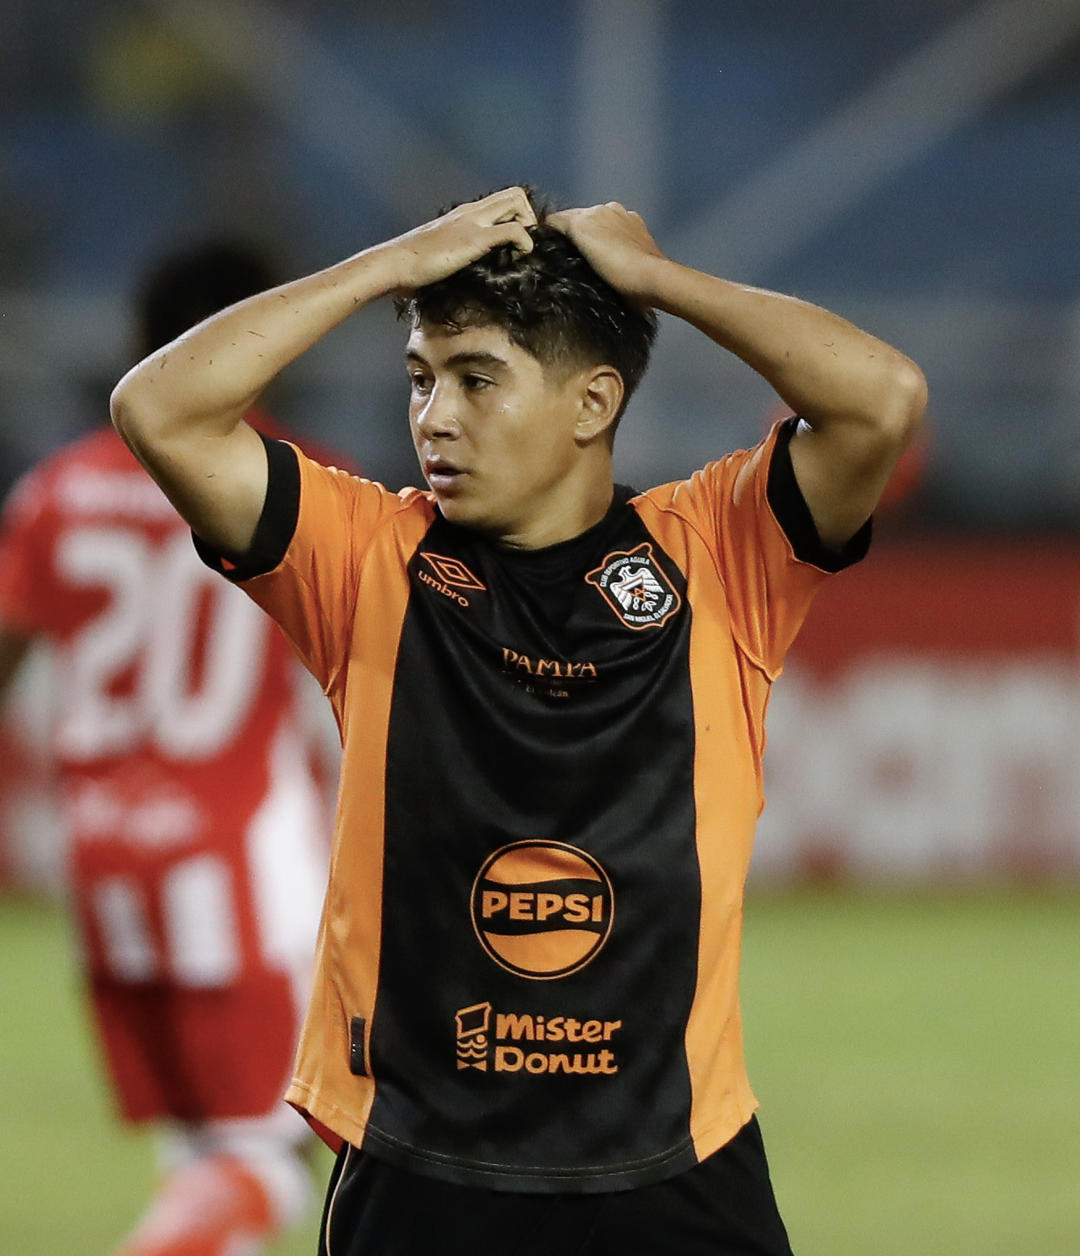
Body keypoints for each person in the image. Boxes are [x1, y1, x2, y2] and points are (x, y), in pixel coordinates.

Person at [109, 187, 926, 1254]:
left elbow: (884, 400)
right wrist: (385, 264)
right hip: (423, 1173)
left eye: (476, 378)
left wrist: (660, 281)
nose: (434, 417)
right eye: (419, 378)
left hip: (675, 1168)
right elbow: (158, 407)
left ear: (592, 403)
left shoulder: (721, 555)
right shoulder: (364, 561)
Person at [0, 242, 337, 1256]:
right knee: (269, 1161)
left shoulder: (56, 493)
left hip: (102, 867)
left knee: (206, 1161)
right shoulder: (303, 480)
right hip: (244, 868)